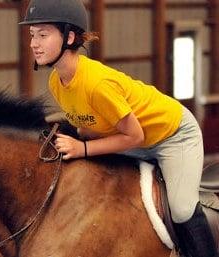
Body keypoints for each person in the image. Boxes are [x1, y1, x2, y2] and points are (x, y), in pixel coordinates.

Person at [19, 0, 217, 257]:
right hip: (133, 141)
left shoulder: (97, 84)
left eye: (43, 35)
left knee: (181, 208)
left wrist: (83, 148)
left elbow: (135, 135)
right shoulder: (56, 82)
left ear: (69, 37)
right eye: (32, 35)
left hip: (173, 136)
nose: (34, 43)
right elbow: (92, 125)